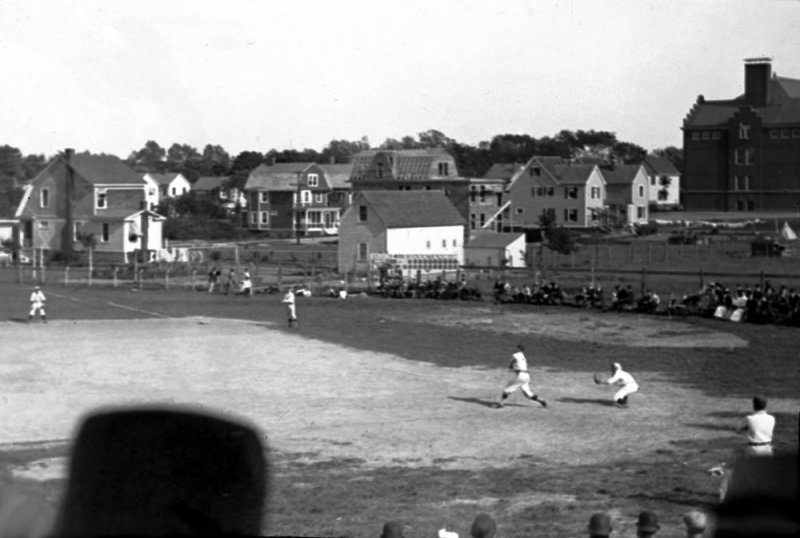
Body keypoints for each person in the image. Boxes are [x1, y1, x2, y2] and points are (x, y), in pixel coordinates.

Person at [496, 344, 547, 409]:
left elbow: (512, 362)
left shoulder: (516, 355)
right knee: (527, 394)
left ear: (518, 349)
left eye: (516, 348)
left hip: (521, 375)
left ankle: (501, 404)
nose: (514, 349)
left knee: (507, 389)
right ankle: (542, 401)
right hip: (526, 376)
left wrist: (511, 365)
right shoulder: (523, 356)